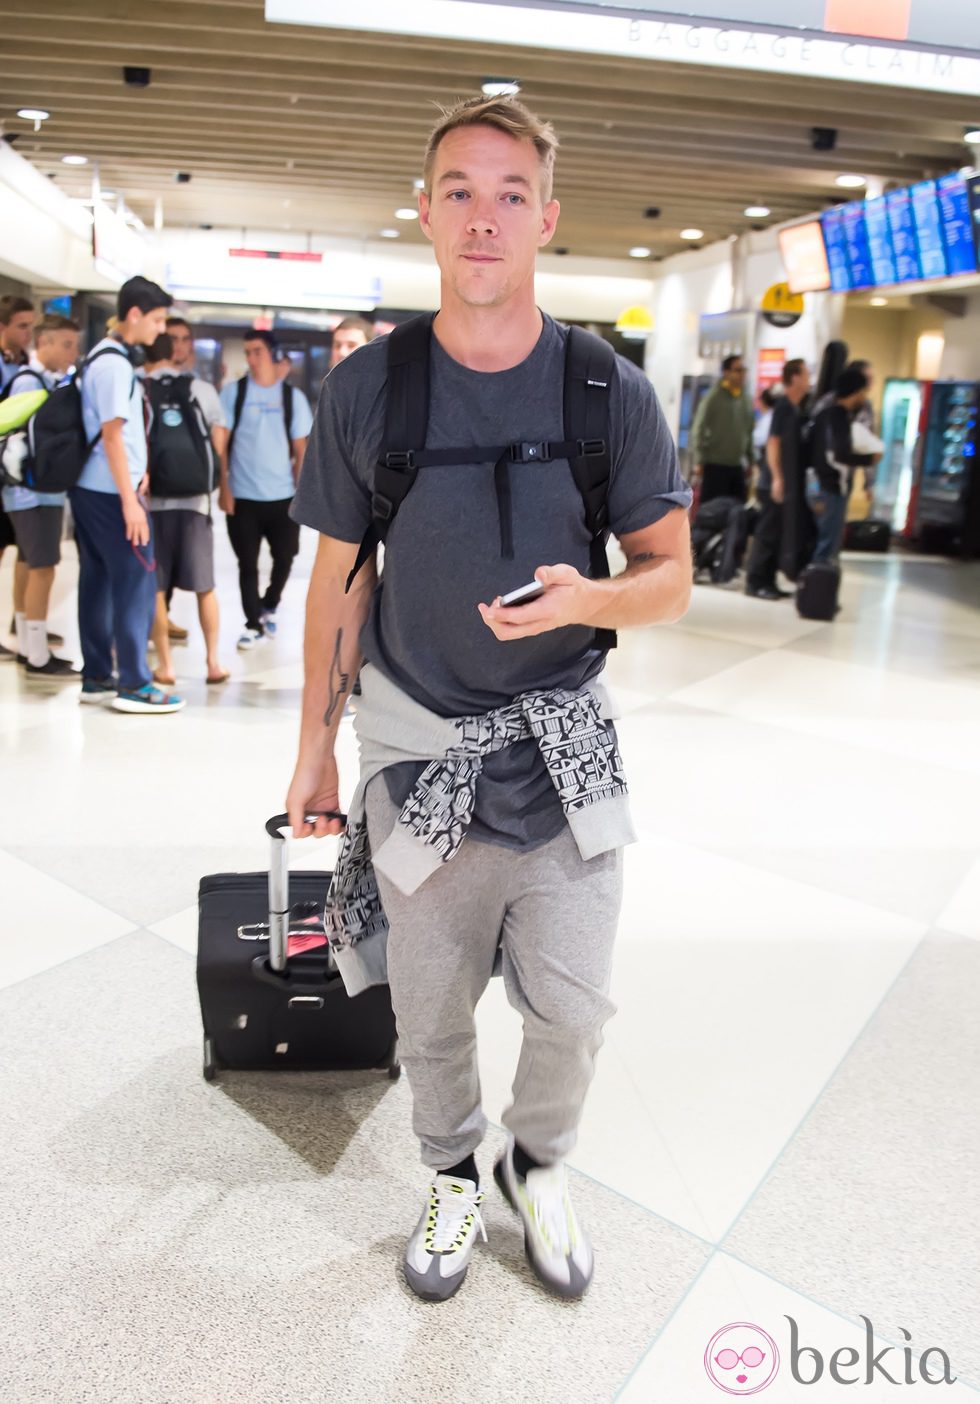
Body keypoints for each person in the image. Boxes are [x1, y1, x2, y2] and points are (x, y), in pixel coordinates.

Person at [287, 93, 692, 1304]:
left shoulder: (601, 389)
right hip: (416, 755)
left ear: (546, 219)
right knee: (430, 1012)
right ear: (424, 213)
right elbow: (334, 582)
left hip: (563, 755)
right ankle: (452, 1173)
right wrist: (313, 751)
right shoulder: (371, 389)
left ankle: (537, 1162)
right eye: (458, 190)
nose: (482, 217)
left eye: (509, 194)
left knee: (572, 1004)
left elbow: (669, 580)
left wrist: (586, 601)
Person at [72, 275, 185, 714]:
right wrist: (129, 503)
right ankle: (135, 683)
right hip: (111, 495)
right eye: (156, 320)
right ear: (134, 314)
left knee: (98, 582)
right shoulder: (115, 365)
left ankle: (98, 676)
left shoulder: (101, 357)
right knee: (136, 583)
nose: (159, 330)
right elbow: (113, 437)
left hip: (93, 490)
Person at [142, 332, 230, 688]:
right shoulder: (201, 389)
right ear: (174, 354)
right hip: (196, 503)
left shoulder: (140, 386)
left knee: (156, 589)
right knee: (205, 586)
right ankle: (212, 662)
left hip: (153, 505)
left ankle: (166, 666)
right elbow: (219, 437)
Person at [218, 329, 313, 650]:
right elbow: (221, 445)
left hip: (283, 496)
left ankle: (269, 604)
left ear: (273, 354)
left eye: (257, 351)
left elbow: (300, 450)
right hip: (243, 496)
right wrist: (223, 486)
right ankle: (252, 623)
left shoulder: (292, 397)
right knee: (247, 563)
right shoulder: (234, 393)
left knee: (285, 558)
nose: (251, 358)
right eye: (247, 352)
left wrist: (303, 494)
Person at [3, 314, 81, 677]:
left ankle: (28, 646)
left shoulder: (41, 382)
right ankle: (36, 655)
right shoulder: (30, 384)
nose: (73, 353)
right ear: (44, 342)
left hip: (32, 493)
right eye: (66, 344)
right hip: (33, 493)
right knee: (43, 569)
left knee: (28, 565)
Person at [745, 360, 811, 600]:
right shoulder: (784, 406)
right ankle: (755, 581)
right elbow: (774, 443)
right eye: (806, 374)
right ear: (794, 378)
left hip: (782, 483)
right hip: (773, 483)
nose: (809, 379)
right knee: (767, 533)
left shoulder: (794, 408)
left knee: (777, 533)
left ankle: (768, 580)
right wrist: (777, 478)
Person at [0, 295, 36, 660]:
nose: (28, 333)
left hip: (20, 477)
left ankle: (22, 624)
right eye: (22, 326)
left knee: (27, 553)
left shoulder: (26, 365)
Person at [811, 367, 873, 563]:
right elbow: (836, 455)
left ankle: (819, 584)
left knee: (826, 541)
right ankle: (818, 586)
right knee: (827, 543)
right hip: (831, 485)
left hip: (828, 484)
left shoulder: (825, 411)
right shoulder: (837, 415)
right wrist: (869, 460)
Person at [691, 353, 754, 505]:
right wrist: (699, 460)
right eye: (738, 370)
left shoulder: (745, 398)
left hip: (737, 466)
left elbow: (748, 430)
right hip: (715, 466)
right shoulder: (713, 397)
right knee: (711, 511)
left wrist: (751, 459)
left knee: (738, 511)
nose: (742, 375)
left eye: (743, 370)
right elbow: (698, 429)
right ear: (726, 373)